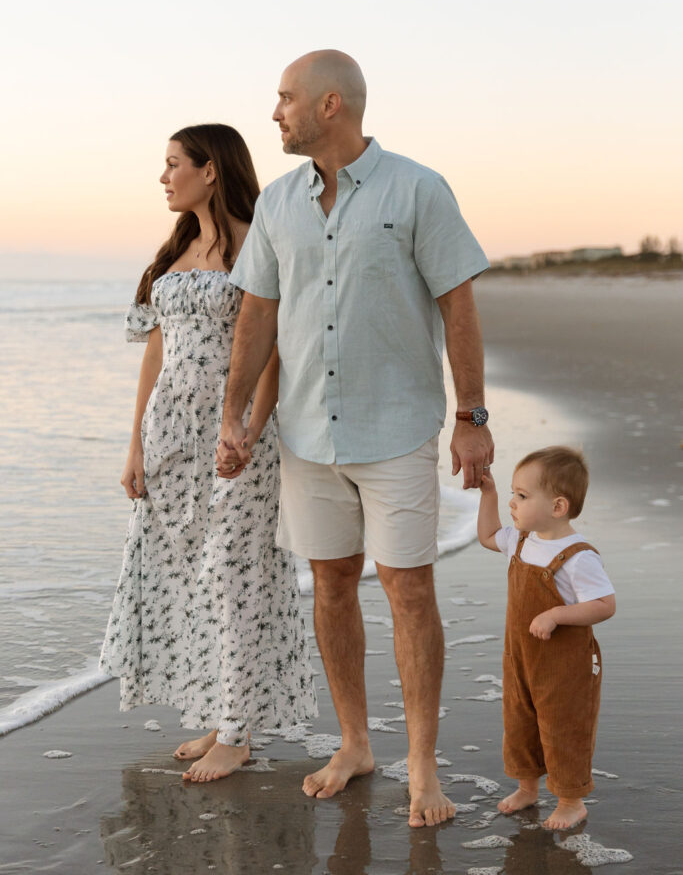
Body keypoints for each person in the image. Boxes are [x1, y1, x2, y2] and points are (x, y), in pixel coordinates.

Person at [218, 50, 493, 828]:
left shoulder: (417, 188)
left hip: (397, 428)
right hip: (306, 433)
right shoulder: (277, 205)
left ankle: (422, 766)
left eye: (284, 100)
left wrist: (471, 418)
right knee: (332, 581)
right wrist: (235, 418)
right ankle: (353, 743)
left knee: (409, 590)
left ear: (329, 104)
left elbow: (459, 308)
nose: (274, 113)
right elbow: (256, 319)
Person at [100, 124, 317, 783]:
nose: (164, 177)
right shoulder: (176, 250)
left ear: (211, 169)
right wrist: (135, 443)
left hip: (234, 440)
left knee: (234, 576)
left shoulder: (259, 244)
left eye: (173, 164)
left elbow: (272, 348)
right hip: (171, 437)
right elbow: (155, 356)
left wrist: (251, 428)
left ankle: (236, 733)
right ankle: (221, 714)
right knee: (189, 578)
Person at [477, 446, 616, 830]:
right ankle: (527, 787)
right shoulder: (521, 540)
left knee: (562, 727)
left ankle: (571, 802)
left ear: (557, 507)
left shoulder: (577, 555)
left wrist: (557, 614)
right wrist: (488, 494)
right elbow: (488, 535)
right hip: (521, 658)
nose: (512, 503)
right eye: (512, 493)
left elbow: (605, 604)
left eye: (522, 496)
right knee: (520, 722)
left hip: (564, 667)